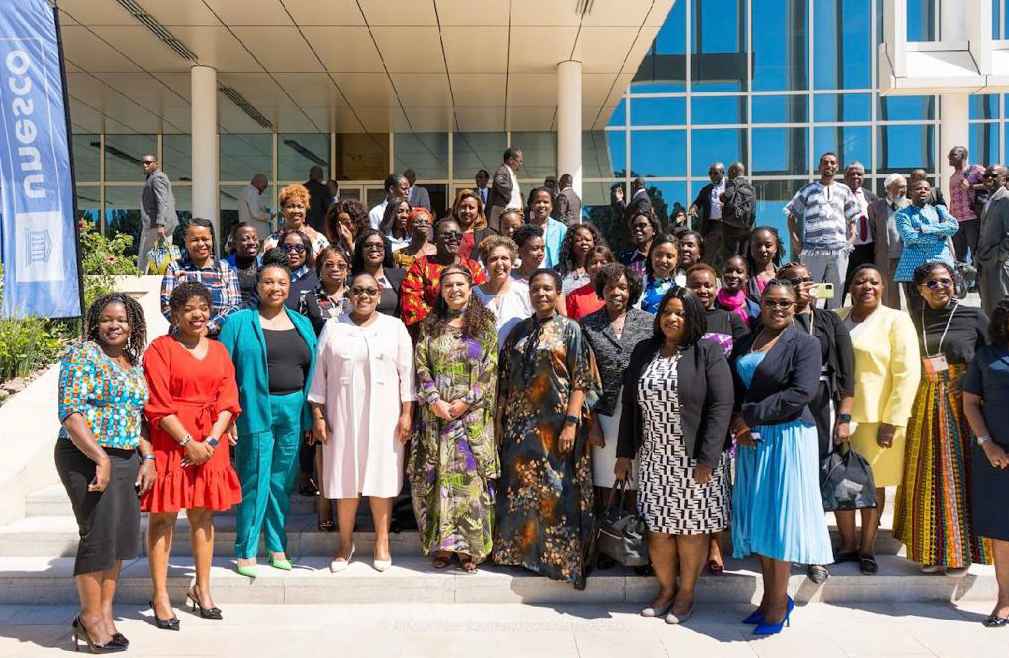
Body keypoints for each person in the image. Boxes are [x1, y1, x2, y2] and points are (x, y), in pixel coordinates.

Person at [616, 287, 733, 624]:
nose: (671, 318)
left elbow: (721, 407)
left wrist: (708, 459)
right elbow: (629, 406)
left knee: (691, 530)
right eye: (667, 311)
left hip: (694, 460)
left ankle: (686, 594)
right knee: (658, 530)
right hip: (654, 458)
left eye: (680, 313)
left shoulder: (706, 352)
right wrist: (624, 453)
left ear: (692, 317)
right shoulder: (644, 351)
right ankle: (666, 589)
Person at [729, 280, 833, 635]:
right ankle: (770, 599)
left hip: (788, 437)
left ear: (795, 306)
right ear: (761, 303)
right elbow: (734, 389)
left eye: (785, 303)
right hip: (751, 439)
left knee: (779, 523)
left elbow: (800, 393)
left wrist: (750, 416)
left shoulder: (805, 343)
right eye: (771, 302)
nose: (778, 308)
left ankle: (778, 605)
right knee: (761, 521)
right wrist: (737, 424)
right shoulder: (746, 341)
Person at [143, 282, 242, 626]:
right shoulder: (160, 349)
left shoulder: (218, 351)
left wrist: (211, 443)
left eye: (202, 307)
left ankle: (203, 588)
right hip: (172, 442)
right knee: (163, 517)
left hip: (209, 442)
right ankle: (160, 595)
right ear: (174, 314)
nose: (197, 315)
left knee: (203, 517)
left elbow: (229, 400)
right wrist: (189, 443)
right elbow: (157, 403)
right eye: (188, 309)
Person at [495, 269, 601, 588]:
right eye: (536, 289)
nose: (541, 294)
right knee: (521, 493)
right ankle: (521, 554)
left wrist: (571, 423)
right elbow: (504, 379)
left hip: (555, 426)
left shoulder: (570, 330)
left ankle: (558, 561)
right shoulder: (518, 331)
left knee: (557, 492)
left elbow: (581, 380)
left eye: (547, 289)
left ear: (558, 293)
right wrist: (499, 421)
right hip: (519, 427)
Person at [57, 294, 151, 651]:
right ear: (96, 322)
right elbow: (70, 412)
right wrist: (101, 457)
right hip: (85, 454)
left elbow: (135, 416)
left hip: (126, 457)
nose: (115, 325)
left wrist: (149, 457)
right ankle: (89, 618)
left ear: (133, 326)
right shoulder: (83, 355)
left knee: (120, 540)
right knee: (97, 536)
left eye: (123, 320)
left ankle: (106, 613)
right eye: (108, 319)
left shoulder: (132, 362)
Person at [309, 272, 415, 572]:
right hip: (342, 414)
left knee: (381, 475)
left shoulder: (395, 328)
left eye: (370, 291)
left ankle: (382, 541)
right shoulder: (333, 327)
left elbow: (406, 374)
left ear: (379, 296)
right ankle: (345, 544)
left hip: (386, 415)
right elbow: (320, 374)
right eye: (358, 290)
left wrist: (407, 413)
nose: (364, 296)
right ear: (349, 295)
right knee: (345, 477)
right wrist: (318, 415)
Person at [218, 260, 317, 578]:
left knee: (282, 481)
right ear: (258, 287)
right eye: (269, 282)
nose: (276, 288)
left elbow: (311, 370)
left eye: (282, 283)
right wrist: (228, 415)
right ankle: (246, 548)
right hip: (254, 409)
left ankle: (277, 545)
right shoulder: (239, 322)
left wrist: (311, 416)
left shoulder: (302, 322)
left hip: (293, 409)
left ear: (290, 288)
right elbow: (223, 374)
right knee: (254, 478)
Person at [894, 261, 992, 573]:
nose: (941, 288)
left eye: (946, 281)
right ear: (919, 289)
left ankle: (960, 552)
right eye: (933, 284)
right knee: (927, 477)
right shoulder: (911, 318)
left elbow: (992, 356)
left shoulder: (972, 316)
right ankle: (931, 552)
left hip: (964, 402)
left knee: (959, 478)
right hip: (924, 403)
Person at [410, 266, 499, 572]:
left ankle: (468, 549)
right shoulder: (431, 324)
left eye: (460, 284)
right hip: (436, 419)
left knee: (469, 486)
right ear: (441, 289)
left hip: (470, 420)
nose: (454, 289)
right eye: (448, 285)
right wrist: (435, 401)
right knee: (439, 483)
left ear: (470, 286)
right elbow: (421, 365)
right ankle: (444, 547)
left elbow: (490, 369)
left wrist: (464, 403)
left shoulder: (484, 324)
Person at [834, 264, 921, 574]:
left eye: (874, 281)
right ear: (850, 287)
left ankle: (867, 546)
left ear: (883, 288)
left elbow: (908, 372)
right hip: (841, 417)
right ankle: (847, 543)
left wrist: (893, 419)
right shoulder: (838, 318)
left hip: (877, 420)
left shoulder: (896, 320)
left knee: (873, 486)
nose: (867, 286)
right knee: (841, 482)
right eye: (860, 281)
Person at [778, 261, 855, 582]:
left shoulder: (829, 321)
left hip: (822, 402)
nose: (803, 286)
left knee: (816, 475)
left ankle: (815, 552)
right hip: (785, 403)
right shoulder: (777, 319)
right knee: (790, 474)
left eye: (807, 280)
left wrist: (845, 416)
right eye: (795, 281)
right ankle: (786, 545)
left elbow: (848, 373)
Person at [580, 264, 650, 504]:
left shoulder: (648, 322)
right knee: (605, 479)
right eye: (610, 287)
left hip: (640, 411)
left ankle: (634, 536)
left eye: (622, 287)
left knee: (638, 478)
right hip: (604, 411)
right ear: (602, 289)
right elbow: (583, 375)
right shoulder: (587, 325)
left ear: (631, 290)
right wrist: (592, 422)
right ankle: (608, 537)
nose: (616, 292)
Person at [962, 298, 1009, 627]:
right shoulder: (986, 357)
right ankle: (1005, 600)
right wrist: (987, 444)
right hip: (997, 458)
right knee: (1003, 533)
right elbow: (970, 404)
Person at [785, 152, 860, 310]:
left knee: (836, 293)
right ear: (820, 167)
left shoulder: (844, 190)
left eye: (832, 163)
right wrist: (796, 242)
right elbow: (791, 215)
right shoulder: (808, 190)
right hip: (813, 251)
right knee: (813, 292)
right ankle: (813, 329)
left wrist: (851, 238)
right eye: (825, 163)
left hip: (839, 251)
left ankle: (834, 329)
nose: (829, 166)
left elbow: (852, 218)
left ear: (837, 167)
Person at [160, 218, 242, 338]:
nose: (201, 244)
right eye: (194, 240)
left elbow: (235, 306)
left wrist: (209, 328)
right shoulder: (175, 268)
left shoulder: (225, 269)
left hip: (219, 339)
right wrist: (191, 329)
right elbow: (166, 305)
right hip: (183, 340)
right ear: (186, 241)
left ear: (212, 240)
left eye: (205, 239)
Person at [401, 218, 487, 329]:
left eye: (458, 236)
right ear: (435, 239)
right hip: (431, 331)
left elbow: (482, 300)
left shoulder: (473, 267)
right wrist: (444, 325)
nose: (453, 239)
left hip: (468, 330)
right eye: (447, 235)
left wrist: (461, 324)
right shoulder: (421, 265)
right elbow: (411, 302)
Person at [894, 178, 958, 304]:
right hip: (914, 268)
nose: (923, 191)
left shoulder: (939, 210)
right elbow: (909, 237)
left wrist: (925, 228)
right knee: (916, 309)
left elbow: (953, 227)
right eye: (918, 188)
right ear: (910, 192)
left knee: (943, 308)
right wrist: (938, 237)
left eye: (926, 189)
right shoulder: (902, 214)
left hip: (941, 265)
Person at [474, 235, 532, 346]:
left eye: (504, 258)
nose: (500, 264)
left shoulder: (525, 292)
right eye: (493, 259)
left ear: (512, 262)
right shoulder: (474, 295)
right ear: (486, 264)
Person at [687, 263, 749, 356]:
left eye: (708, 286)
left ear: (716, 289)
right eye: (696, 286)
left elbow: (745, 352)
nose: (703, 290)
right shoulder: (680, 319)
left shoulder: (730, 319)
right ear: (686, 289)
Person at [870, 173, 909, 308]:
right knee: (889, 298)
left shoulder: (911, 205)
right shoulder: (875, 207)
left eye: (904, 187)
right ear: (887, 189)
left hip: (908, 257)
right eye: (898, 187)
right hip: (885, 258)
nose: (903, 191)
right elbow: (873, 232)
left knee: (912, 296)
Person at [841, 162, 878, 297]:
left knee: (864, 286)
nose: (855, 176)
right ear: (845, 177)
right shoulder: (838, 194)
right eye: (851, 174)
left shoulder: (871, 196)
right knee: (841, 286)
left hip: (867, 249)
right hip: (845, 248)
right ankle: (834, 316)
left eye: (859, 174)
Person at [976, 165, 1009, 316]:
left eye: (993, 175)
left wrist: (1000, 256)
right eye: (986, 175)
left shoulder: (1006, 199)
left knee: (1002, 307)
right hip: (985, 261)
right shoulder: (989, 198)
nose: (988, 178)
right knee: (988, 307)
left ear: (1004, 179)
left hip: (999, 263)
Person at [264, 184, 331, 257]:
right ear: (282, 210)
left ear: (306, 210)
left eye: (300, 206)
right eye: (290, 206)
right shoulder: (272, 240)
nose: (296, 211)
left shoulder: (319, 240)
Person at [351, 229, 405, 317]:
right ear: (360, 251)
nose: (374, 249)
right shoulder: (351, 280)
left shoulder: (400, 276)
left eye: (379, 245)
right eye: (368, 245)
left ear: (385, 250)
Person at [138, 154, 178, 272]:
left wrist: (160, 224)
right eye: (144, 162)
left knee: (144, 256)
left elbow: (162, 201)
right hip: (161, 224)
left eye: (148, 162)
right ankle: (168, 275)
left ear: (156, 164)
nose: (145, 165)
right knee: (164, 254)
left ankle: (140, 281)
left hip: (156, 225)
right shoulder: (155, 177)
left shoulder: (157, 178)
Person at [299, 246, 350, 335]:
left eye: (341, 265)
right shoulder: (307, 299)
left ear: (347, 271)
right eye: (329, 265)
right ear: (320, 270)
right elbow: (304, 333)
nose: (335, 269)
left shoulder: (355, 296)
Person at [947, 147, 986, 264]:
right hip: (956, 221)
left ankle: (979, 281)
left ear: (963, 156)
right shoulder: (952, 177)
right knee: (959, 257)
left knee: (976, 254)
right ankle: (963, 282)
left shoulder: (975, 169)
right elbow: (953, 200)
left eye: (952, 154)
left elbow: (991, 184)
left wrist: (972, 186)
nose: (949, 157)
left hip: (972, 218)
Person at [716, 161, 755, 263]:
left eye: (729, 171)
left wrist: (721, 196)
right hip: (746, 227)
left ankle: (730, 274)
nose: (728, 174)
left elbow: (726, 196)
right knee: (744, 255)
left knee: (730, 255)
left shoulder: (732, 182)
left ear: (733, 171)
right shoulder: (751, 188)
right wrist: (748, 225)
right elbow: (753, 212)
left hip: (730, 226)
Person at [565, 246, 616, 321]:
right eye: (593, 263)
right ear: (586, 268)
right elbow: (568, 326)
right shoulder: (574, 296)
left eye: (603, 263)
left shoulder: (617, 293)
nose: (598, 266)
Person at [690, 162, 727, 260]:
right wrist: (693, 209)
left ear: (723, 173)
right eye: (710, 173)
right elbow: (697, 203)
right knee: (707, 256)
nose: (712, 176)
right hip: (712, 227)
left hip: (727, 226)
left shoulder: (731, 186)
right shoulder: (706, 189)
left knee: (728, 255)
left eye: (715, 173)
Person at [558, 222, 606, 294]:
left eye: (587, 240)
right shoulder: (561, 270)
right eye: (578, 240)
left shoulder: (601, 267)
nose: (584, 243)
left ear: (594, 243)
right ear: (571, 244)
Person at [639, 234, 681, 313]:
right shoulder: (639, 283)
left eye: (669, 256)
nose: (663, 260)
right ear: (651, 255)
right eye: (659, 255)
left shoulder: (682, 284)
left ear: (677, 259)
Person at [279, 230, 319, 311]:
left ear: (307, 251)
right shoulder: (273, 278)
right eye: (287, 248)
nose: (293, 252)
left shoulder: (317, 279)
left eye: (299, 248)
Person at [528, 187, 568, 269]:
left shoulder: (561, 229)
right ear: (532, 205)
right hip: (530, 275)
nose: (542, 205)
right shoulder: (525, 229)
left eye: (546, 202)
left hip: (554, 275)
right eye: (538, 202)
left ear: (552, 206)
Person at [451, 188, 496, 261]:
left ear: (478, 210)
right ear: (456, 208)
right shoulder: (447, 232)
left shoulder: (488, 235)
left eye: (471, 208)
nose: (467, 211)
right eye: (463, 207)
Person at [717, 255, 761, 328]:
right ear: (722, 275)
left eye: (739, 272)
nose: (733, 275)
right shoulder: (712, 304)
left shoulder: (754, 310)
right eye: (729, 271)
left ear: (747, 278)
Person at [486, 147, 524, 232]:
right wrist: (509, 204)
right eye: (520, 161)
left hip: (511, 216)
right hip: (503, 214)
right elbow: (500, 183)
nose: (521, 164)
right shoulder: (502, 170)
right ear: (511, 160)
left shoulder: (510, 173)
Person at [225, 223, 261, 308]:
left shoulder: (265, 265)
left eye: (255, 239)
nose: (252, 242)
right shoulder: (224, 266)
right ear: (234, 243)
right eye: (245, 239)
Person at [620, 211, 661, 280]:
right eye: (634, 226)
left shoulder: (662, 256)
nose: (637, 229)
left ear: (654, 230)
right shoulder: (625, 258)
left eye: (642, 225)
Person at [746, 226, 783, 301]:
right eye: (758, 245)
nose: (763, 250)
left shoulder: (785, 276)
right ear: (750, 248)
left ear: (776, 248)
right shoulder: (743, 277)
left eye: (768, 245)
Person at [238, 173, 273, 238]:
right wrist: (270, 216)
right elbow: (256, 213)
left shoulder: (247, 191)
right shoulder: (252, 192)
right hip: (256, 235)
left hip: (252, 234)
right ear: (258, 182)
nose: (264, 189)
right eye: (264, 186)